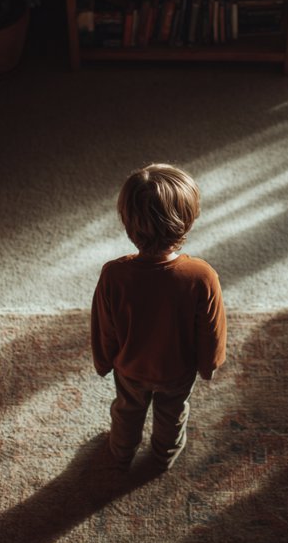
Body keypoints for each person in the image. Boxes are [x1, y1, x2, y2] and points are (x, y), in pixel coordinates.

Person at [91, 163, 227, 471]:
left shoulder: (114, 275)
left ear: (127, 222)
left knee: (127, 410)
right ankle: (165, 453)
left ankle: (121, 451)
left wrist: (103, 361)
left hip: (130, 368)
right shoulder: (201, 276)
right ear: (188, 221)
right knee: (172, 411)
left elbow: (104, 326)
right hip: (177, 370)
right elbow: (211, 330)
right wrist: (209, 364)